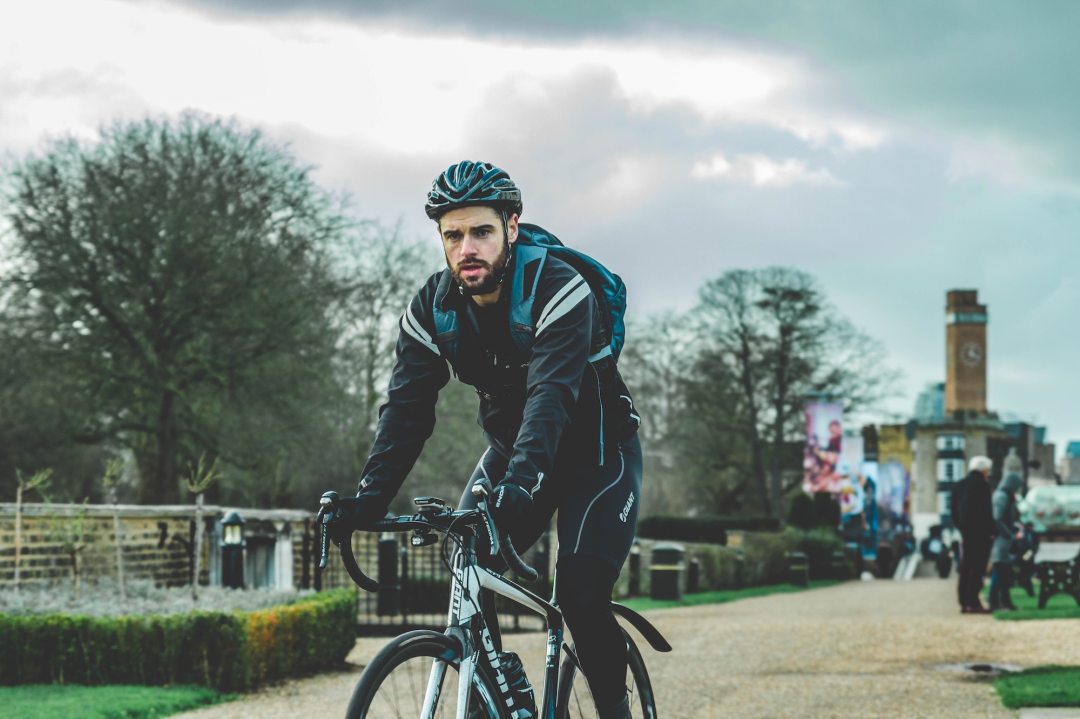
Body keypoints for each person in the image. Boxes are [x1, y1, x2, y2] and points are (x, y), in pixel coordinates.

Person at [330, 161, 642, 719]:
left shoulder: (558, 289)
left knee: (580, 594)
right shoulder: (431, 309)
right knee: (469, 562)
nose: (466, 247)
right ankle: (499, 691)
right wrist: (369, 500)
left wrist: (521, 485)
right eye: (453, 235)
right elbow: (405, 412)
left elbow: (551, 400)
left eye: (481, 231)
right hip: (510, 453)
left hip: (597, 456)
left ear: (512, 228)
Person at [951, 455, 994, 614]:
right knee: (977, 569)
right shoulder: (982, 486)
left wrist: (962, 528)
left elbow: (954, 512)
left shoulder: (959, 485)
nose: (988, 473)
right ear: (983, 470)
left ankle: (964, 602)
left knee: (966, 567)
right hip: (980, 534)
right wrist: (992, 531)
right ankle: (973, 601)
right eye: (987, 470)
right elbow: (986, 512)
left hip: (966, 533)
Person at [988, 453, 1024, 610]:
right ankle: (996, 602)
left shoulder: (1004, 496)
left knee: (1003, 575)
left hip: (1004, 540)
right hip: (1001, 542)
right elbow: (998, 519)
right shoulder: (1001, 497)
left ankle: (1002, 602)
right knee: (1000, 573)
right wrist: (1010, 534)